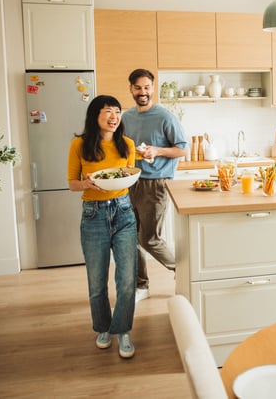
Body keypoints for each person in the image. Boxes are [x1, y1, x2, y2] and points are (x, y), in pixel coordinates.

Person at [67, 95, 138, 359]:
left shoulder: (127, 144)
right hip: (93, 214)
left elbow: (129, 175)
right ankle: (103, 328)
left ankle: (123, 329)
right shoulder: (79, 144)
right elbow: (72, 182)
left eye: (117, 112)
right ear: (95, 115)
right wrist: (87, 184)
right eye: (108, 111)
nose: (114, 116)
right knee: (97, 282)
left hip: (123, 211)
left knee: (127, 279)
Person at [121, 69, 188, 302]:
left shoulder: (165, 116)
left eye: (147, 87)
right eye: (138, 88)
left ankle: (184, 272)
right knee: (129, 237)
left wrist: (156, 150)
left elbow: (181, 148)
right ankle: (141, 285)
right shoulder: (126, 117)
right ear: (131, 88)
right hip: (129, 182)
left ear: (153, 88)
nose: (143, 92)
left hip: (155, 184)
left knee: (149, 238)